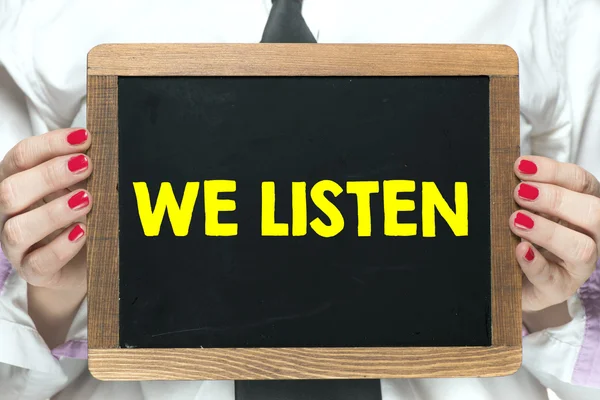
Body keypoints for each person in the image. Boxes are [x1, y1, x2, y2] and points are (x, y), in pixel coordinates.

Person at [0, 0, 599, 399]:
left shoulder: (555, 14)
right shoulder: (35, 14)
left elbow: (579, 359)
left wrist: (550, 299)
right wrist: (50, 292)